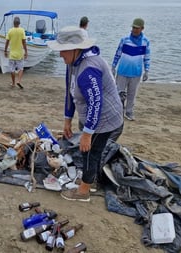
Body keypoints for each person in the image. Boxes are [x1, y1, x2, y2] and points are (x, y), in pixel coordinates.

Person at [47, 26, 124, 202]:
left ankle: (84, 191)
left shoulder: (88, 69)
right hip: (91, 115)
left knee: (89, 151)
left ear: (75, 49)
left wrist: (87, 134)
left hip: (106, 119)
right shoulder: (73, 64)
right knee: (88, 151)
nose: (60, 55)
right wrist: (67, 120)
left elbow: (96, 104)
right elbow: (70, 92)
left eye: (62, 51)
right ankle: (91, 180)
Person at [112, 18, 150, 121]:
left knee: (132, 94)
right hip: (122, 72)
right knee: (119, 93)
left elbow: (146, 57)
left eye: (137, 28)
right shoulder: (125, 40)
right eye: (133, 27)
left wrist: (146, 70)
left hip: (136, 73)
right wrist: (113, 66)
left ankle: (129, 112)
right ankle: (118, 112)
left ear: (142, 28)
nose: (134, 30)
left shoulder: (145, 41)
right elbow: (118, 53)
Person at [4, 16, 28, 89]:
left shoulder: (10, 31)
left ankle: (13, 83)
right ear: (19, 23)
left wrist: (5, 50)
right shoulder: (22, 30)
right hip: (19, 54)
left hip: (12, 54)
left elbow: (7, 42)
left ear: (13, 23)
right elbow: (24, 42)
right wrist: (26, 51)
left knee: (12, 69)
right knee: (21, 69)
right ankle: (19, 81)